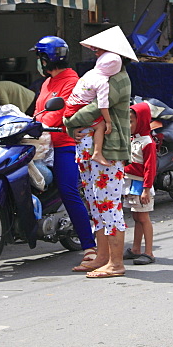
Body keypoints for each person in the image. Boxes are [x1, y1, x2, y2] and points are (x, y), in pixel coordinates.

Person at [64, 26, 135, 279]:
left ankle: (116, 263)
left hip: (108, 148)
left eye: (100, 49)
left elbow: (93, 109)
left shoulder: (117, 79)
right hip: (88, 146)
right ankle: (103, 257)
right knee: (95, 204)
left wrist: (68, 120)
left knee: (108, 204)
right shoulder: (102, 75)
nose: (96, 53)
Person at [29, 35, 97, 271]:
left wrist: (36, 124)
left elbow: (58, 114)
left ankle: (89, 247)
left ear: (47, 59)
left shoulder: (71, 80)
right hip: (41, 143)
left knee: (69, 191)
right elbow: (38, 112)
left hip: (63, 144)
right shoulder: (47, 82)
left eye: (39, 57)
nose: (38, 62)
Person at [63, 49, 122, 166]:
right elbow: (103, 105)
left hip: (71, 104)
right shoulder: (103, 82)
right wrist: (108, 122)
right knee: (100, 126)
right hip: (79, 107)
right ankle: (97, 153)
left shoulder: (90, 73)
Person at [123, 101, 158, 265]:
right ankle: (136, 249)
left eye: (131, 121)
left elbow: (150, 169)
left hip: (140, 185)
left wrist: (146, 189)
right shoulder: (132, 139)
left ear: (142, 121)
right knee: (136, 217)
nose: (128, 124)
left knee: (143, 218)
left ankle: (149, 252)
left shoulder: (147, 142)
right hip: (130, 183)